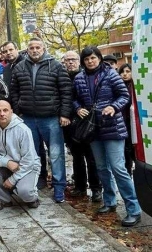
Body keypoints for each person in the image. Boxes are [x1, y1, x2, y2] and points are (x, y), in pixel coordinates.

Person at [73, 46, 141, 227]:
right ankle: (109, 201)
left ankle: (133, 209)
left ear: (99, 58)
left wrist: (114, 106)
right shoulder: (79, 78)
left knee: (118, 168)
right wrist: (78, 108)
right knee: (101, 167)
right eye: (86, 59)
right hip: (92, 128)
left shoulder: (111, 74)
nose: (90, 61)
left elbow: (124, 95)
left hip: (112, 127)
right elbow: (75, 98)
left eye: (93, 58)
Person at [11, 37, 72, 203]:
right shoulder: (20, 67)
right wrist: (18, 112)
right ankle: (39, 180)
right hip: (28, 118)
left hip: (51, 118)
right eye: (31, 48)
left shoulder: (56, 66)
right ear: (27, 50)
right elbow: (14, 91)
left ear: (44, 48)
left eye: (38, 47)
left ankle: (59, 187)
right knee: (33, 153)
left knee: (56, 154)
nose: (34, 50)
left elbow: (66, 90)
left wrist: (65, 114)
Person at [0, 100, 41, 210]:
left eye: (5, 110)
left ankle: (32, 198)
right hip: (6, 165)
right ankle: (4, 199)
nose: (2, 114)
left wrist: (13, 180)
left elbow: (29, 160)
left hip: (26, 167)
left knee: (25, 193)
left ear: (11, 112)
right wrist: (7, 162)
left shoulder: (23, 130)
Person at [63, 51, 102, 202]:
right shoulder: (63, 77)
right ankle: (80, 187)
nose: (70, 62)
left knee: (92, 157)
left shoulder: (86, 75)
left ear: (79, 61)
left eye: (73, 59)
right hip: (70, 124)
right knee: (77, 157)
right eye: (67, 60)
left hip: (88, 122)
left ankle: (96, 188)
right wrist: (76, 108)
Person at [118, 63, 136, 176]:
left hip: (135, 122)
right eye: (122, 72)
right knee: (126, 150)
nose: (125, 74)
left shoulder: (136, 86)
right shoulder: (117, 87)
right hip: (123, 123)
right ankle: (128, 172)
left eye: (128, 71)